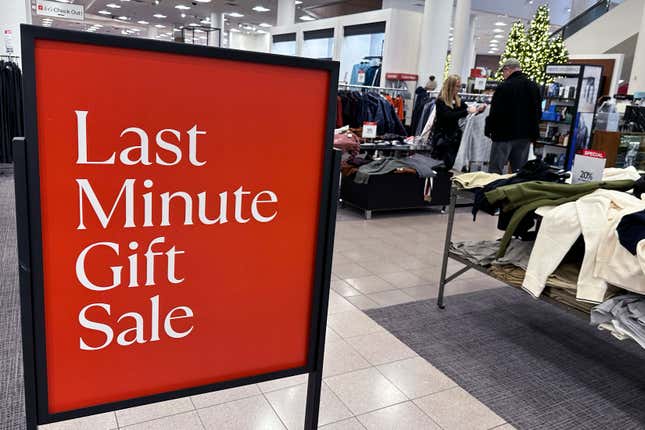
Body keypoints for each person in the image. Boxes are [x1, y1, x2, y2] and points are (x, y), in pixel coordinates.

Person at [485, 58, 542, 173]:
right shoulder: (533, 86)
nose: (503, 75)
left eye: (503, 72)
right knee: (518, 171)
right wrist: (534, 134)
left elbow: (495, 112)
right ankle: (514, 190)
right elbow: (537, 112)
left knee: (495, 170)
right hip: (524, 136)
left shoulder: (504, 87)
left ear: (508, 70)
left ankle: (493, 190)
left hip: (503, 135)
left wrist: (489, 129)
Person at [431, 74, 483, 168]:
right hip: (442, 137)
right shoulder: (441, 101)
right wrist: (466, 111)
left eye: (459, 86)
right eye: (457, 86)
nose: (459, 89)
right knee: (440, 165)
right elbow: (448, 116)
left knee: (450, 165)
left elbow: (467, 110)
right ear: (451, 86)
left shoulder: (457, 100)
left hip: (453, 138)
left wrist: (478, 110)